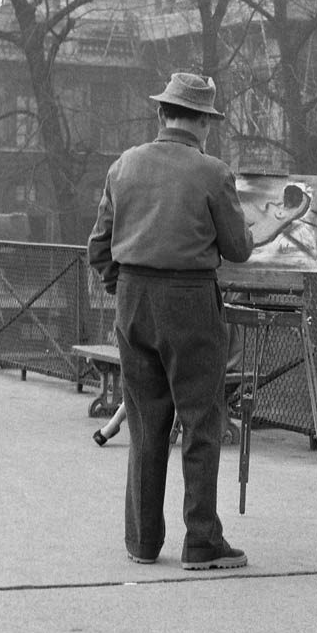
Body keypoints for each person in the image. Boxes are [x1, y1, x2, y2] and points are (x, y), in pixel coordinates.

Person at [87, 71, 254, 570]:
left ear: (162, 114)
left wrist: (124, 286)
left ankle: (142, 540)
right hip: (190, 302)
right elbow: (238, 249)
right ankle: (201, 540)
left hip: (133, 301)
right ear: (204, 122)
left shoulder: (124, 166)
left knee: (145, 421)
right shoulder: (213, 172)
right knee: (201, 420)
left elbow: (98, 247)